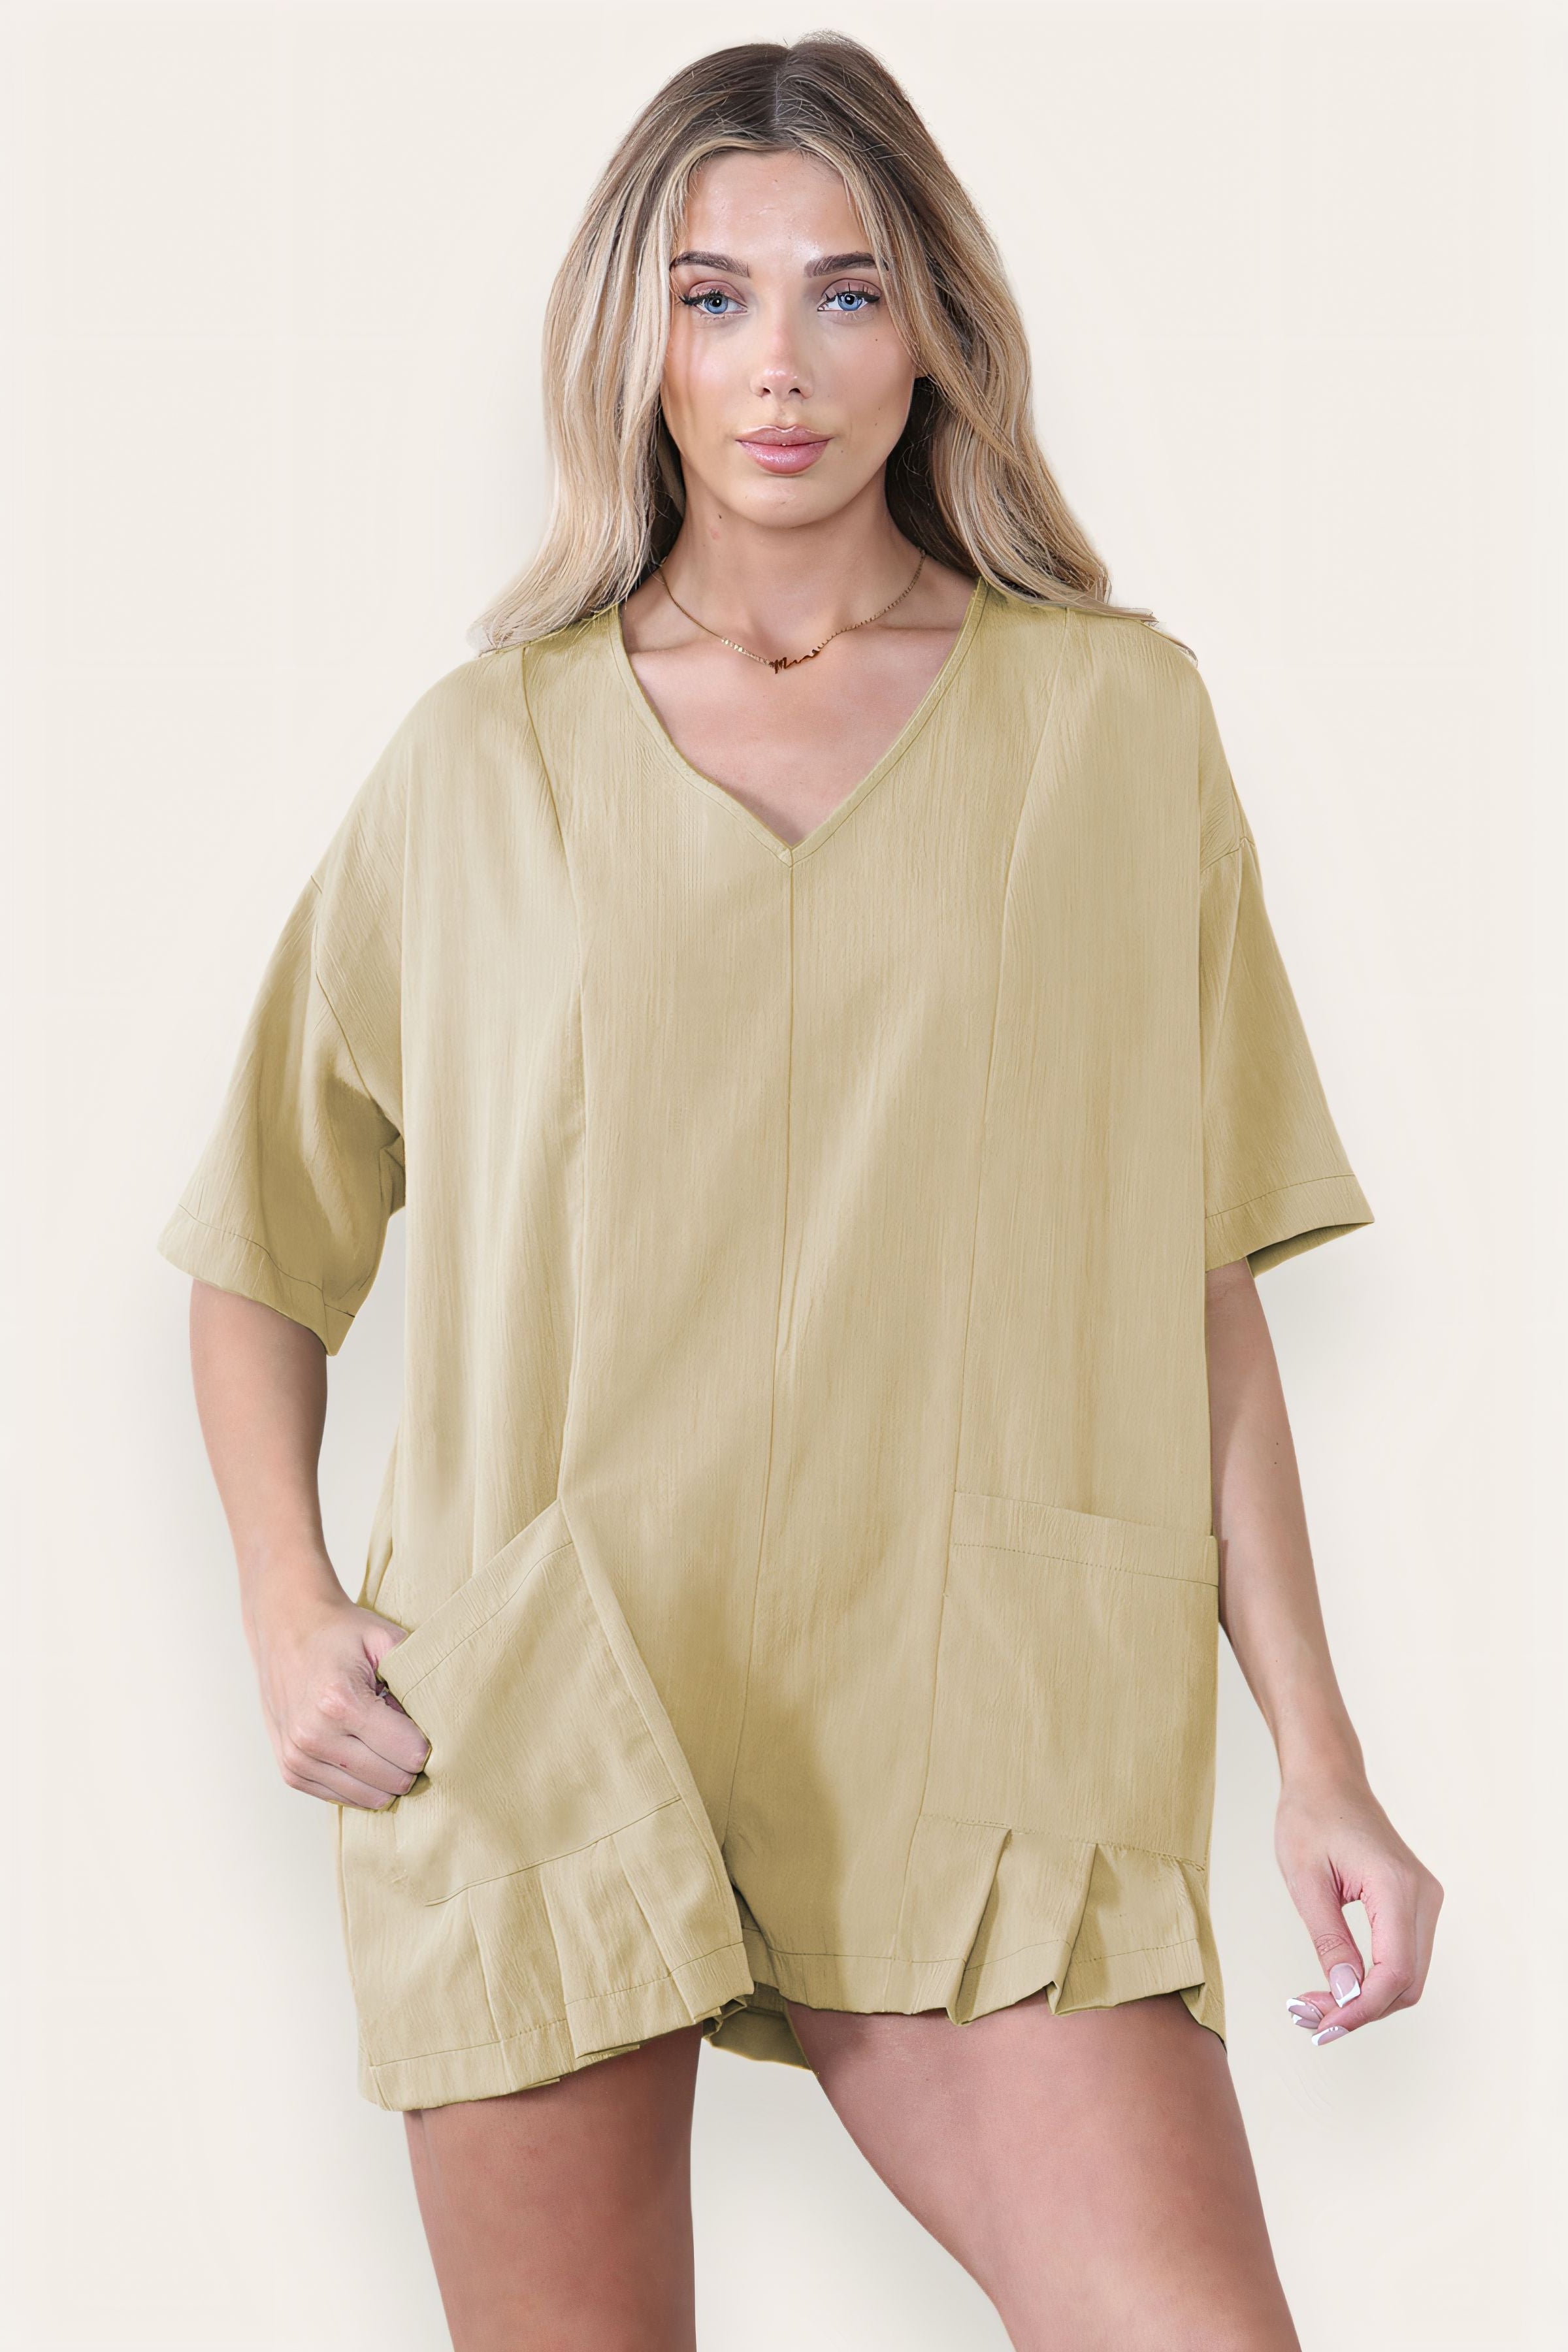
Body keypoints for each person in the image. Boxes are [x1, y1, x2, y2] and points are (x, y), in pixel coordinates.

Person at [158, 32, 1443, 2352]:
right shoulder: (478, 759)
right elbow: (263, 1245)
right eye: (715, 296)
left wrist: (1321, 1765)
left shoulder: (1116, 729)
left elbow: (1200, 1285)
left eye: (848, 292)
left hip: (980, 1705)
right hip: (546, 1693)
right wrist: (283, 1605)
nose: (782, 364)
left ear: (933, 328)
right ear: (635, 340)